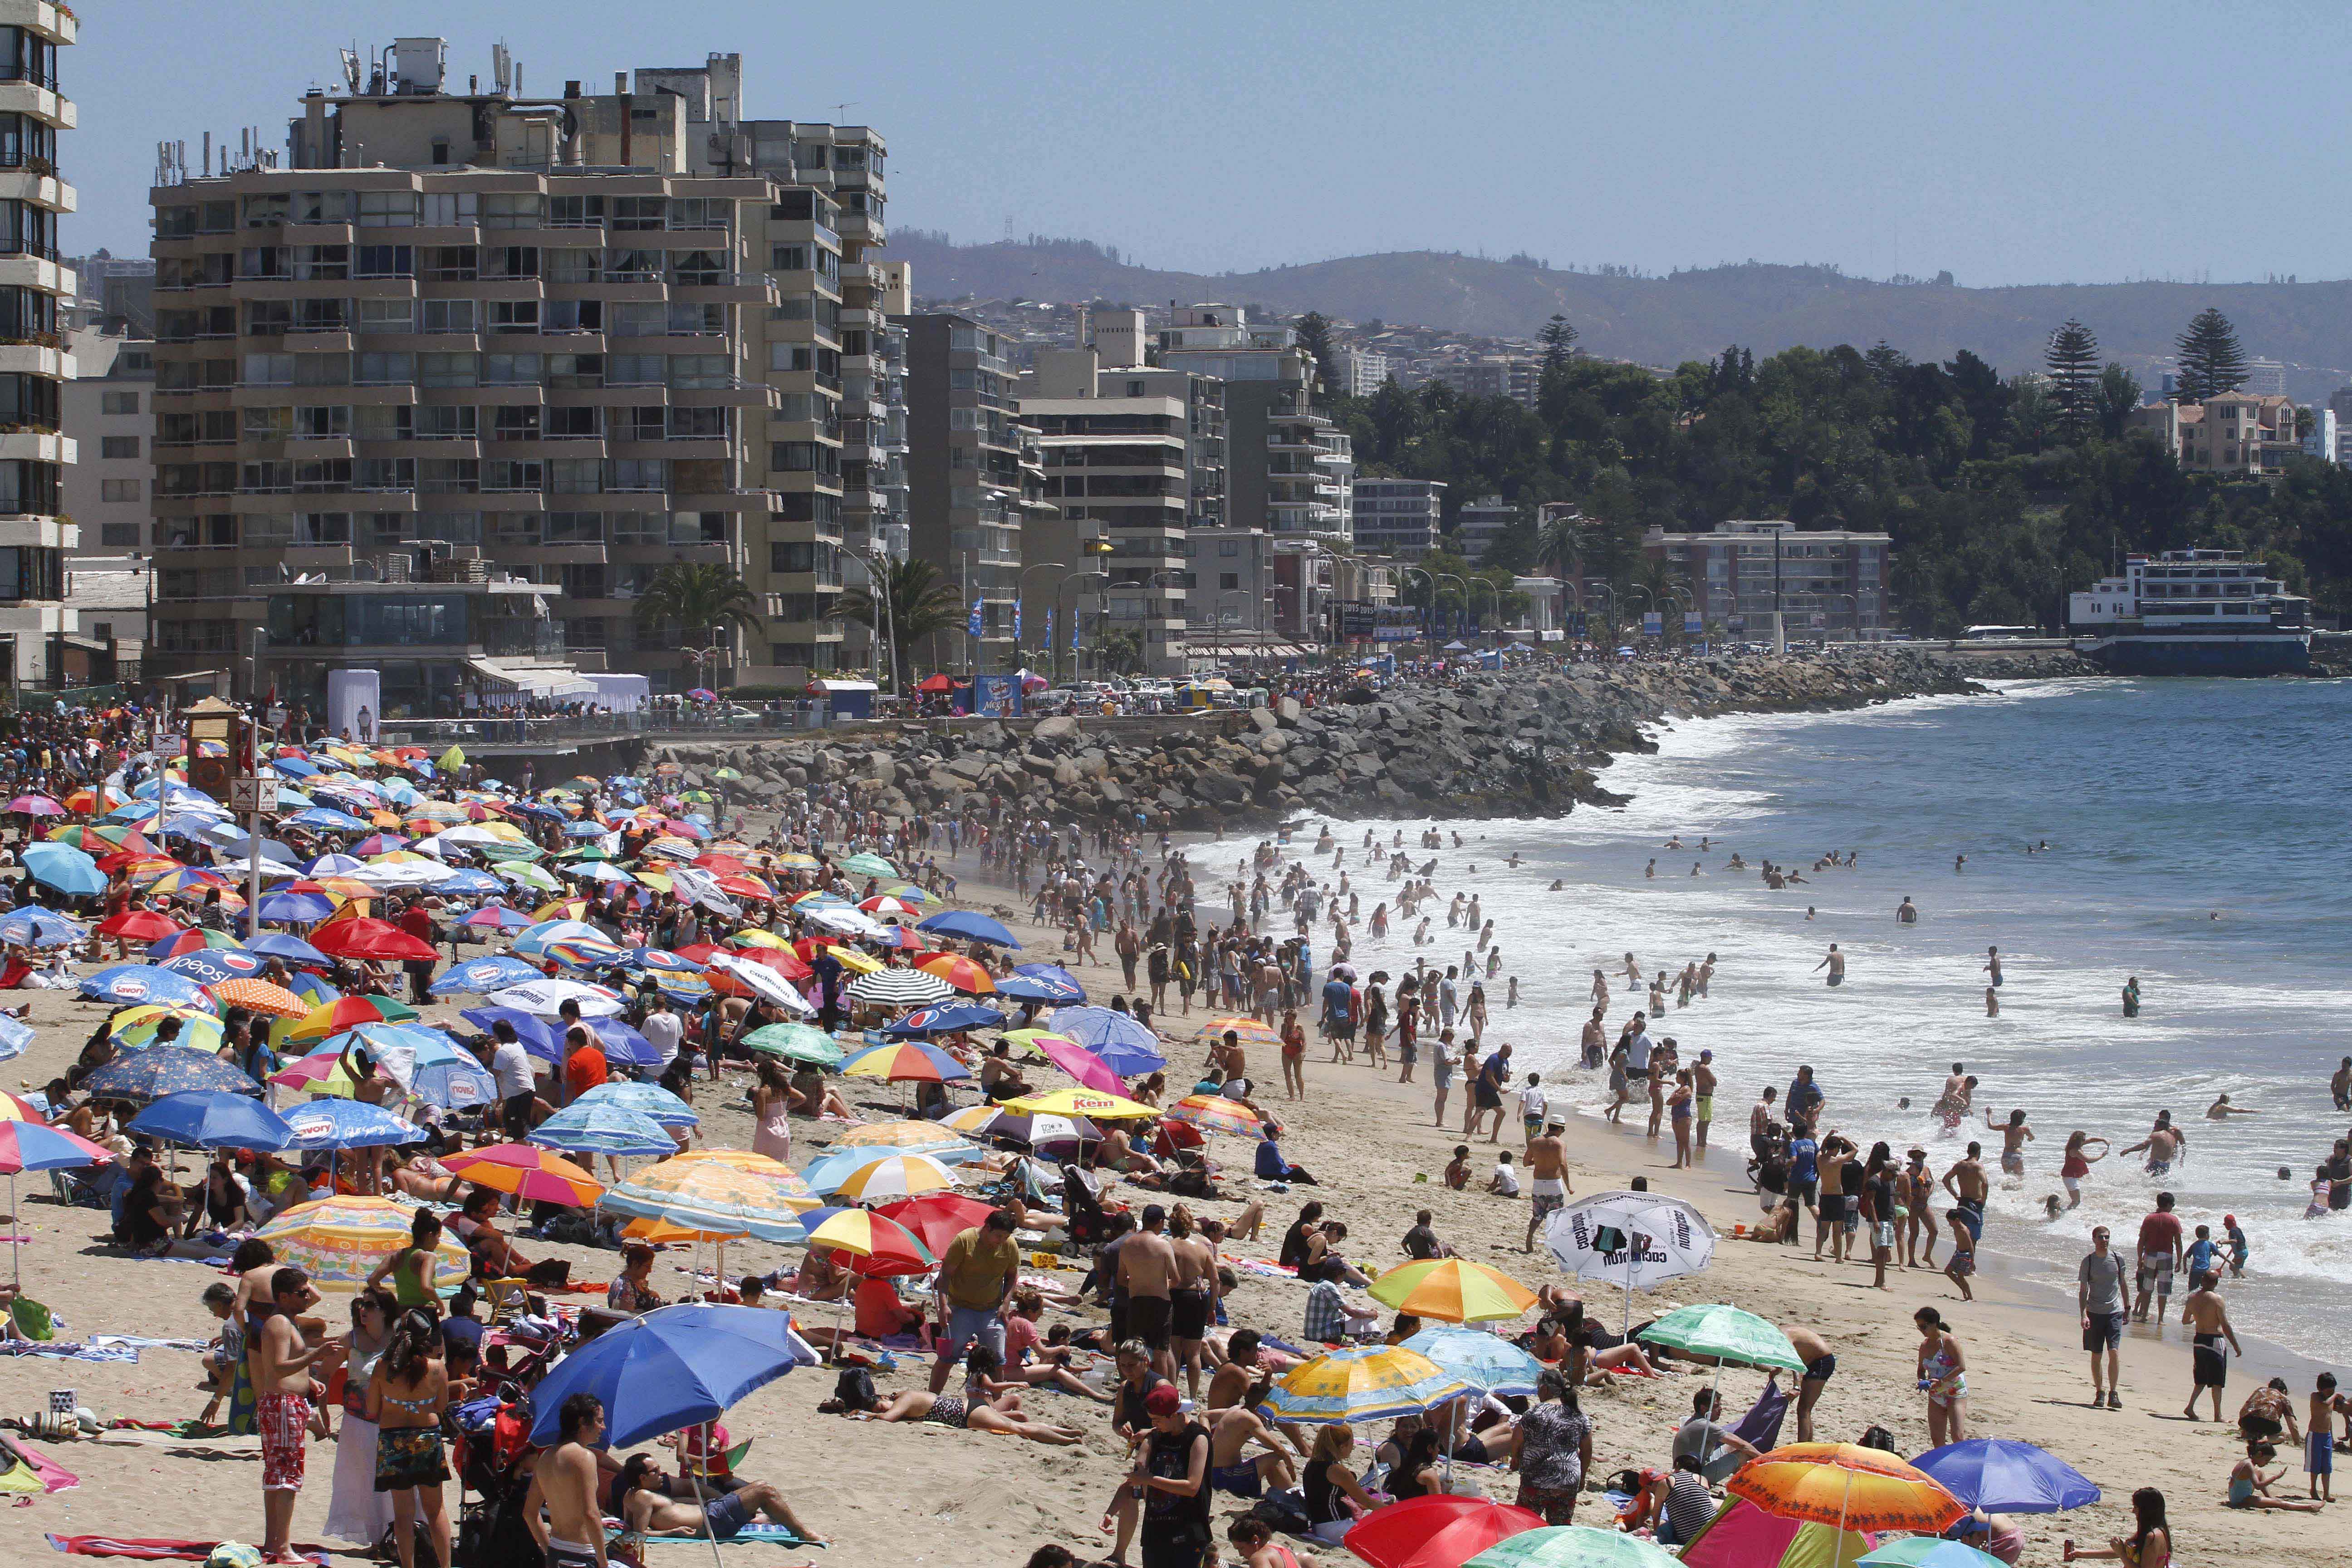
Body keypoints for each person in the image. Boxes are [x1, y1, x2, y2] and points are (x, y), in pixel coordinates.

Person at [254, 1266, 335, 1563]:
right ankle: (282, 1546)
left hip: (285, 1403)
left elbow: (286, 1364)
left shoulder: (286, 1320)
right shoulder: (279, 1323)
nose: (308, 1297)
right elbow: (276, 1367)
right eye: (301, 1293)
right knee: (287, 1475)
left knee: (278, 1473)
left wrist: (308, 1378)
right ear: (284, 1296)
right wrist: (315, 1356)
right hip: (282, 1404)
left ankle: (274, 1542)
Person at [324, 1287, 408, 1550]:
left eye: (370, 1305)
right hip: (356, 1422)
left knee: (392, 1482)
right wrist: (322, 1407)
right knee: (361, 1480)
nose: (363, 1309)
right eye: (361, 1304)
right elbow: (325, 1372)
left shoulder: (399, 1339)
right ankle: (375, 1539)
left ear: (384, 1310)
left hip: (391, 1422)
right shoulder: (351, 1339)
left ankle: (398, 1537)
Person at [368, 1308, 451, 1568]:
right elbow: (440, 1406)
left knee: (403, 1515)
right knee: (435, 1511)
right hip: (427, 1439)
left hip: (393, 1441)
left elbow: (372, 1410)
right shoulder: (437, 1369)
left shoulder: (383, 1369)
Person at [615, 1454, 826, 1546]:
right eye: (656, 1472)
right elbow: (638, 1534)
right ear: (642, 1478)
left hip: (712, 1512)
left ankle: (775, 1521)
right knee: (764, 1490)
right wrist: (671, 1533)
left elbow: (627, 1527)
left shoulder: (632, 1495)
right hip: (712, 1520)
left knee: (757, 1489)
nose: (662, 1474)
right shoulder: (643, 1496)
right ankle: (803, 1533)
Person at [1122, 1382, 1211, 1568]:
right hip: (1155, 1531)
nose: (1154, 1424)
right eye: (1151, 1420)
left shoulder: (1198, 1438)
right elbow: (1136, 1477)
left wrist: (1149, 1479)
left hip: (1188, 1533)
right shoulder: (1157, 1435)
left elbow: (1192, 1487)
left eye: (1157, 1420)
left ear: (1175, 1415)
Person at [932, 1209, 1022, 1393]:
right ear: (987, 1228)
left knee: (997, 1360)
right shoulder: (965, 1241)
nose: (1001, 1241)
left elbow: (1012, 1276)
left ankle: (996, 1405)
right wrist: (944, 1305)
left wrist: (1006, 1304)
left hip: (991, 1310)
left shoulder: (1009, 1245)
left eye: (1005, 1237)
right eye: (998, 1236)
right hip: (961, 1307)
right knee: (947, 1357)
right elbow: (945, 1274)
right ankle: (931, 1398)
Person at [526, 1393, 609, 1568]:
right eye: (599, 1421)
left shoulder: (546, 1457)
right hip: (581, 1553)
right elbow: (590, 1513)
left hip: (557, 1550)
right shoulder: (584, 1457)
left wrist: (548, 1549)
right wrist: (603, 1563)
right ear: (582, 1422)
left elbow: (529, 1513)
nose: (603, 1427)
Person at [1509, 1370, 1591, 1525]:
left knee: (1524, 1525)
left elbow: (1517, 1440)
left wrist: (1516, 1459)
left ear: (1545, 1389)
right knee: (1558, 1529)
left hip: (1536, 1479)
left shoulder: (1534, 1413)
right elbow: (1587, 1450)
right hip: (1567, 1480)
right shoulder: (1578, 1414)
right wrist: (1583, 1475)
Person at [1298, 1424, 1382, 1544]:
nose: (1351, 1449)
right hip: (1334, 1527)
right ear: (1343, 1447)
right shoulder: (1337, 1470)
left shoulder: (1312, 1463)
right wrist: (1393, 1511)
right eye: (1351, 1446)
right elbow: (1367, 1501)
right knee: (1383, 1532)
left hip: (1319, 1525)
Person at [2179, 1269, 2239, 1422]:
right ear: (2216, 1283)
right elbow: (2225, 1325)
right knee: (2217, 1381)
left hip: (2199, 1340)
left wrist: (2196, 1318)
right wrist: (2236, 1346)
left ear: (2202, 1281)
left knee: (2201, 1378)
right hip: (2214, 1341)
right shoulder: (2217, 1300)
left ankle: (2190, 1407)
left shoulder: (2192, 1298)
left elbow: (2185, 1321)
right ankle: (2218, 1415)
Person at [2078, 1226, 2128, 1410]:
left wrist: (2127, 1308)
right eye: (2100, 1237)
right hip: (2094, 1312)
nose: (2104, 1240)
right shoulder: (2088, 1262)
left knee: (2114, 1351)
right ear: (2094, 1239)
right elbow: (2083, 1291)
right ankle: (2100, 1391)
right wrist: (2083, 1314)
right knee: (2097, 1354)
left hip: (2115, 1311)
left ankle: (2114, 1393)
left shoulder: (2117, 1258)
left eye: (2107, 1237)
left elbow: (2123, 1284)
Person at [2062, 1485, 2170, 1565]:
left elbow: (2122, 1553)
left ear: (2146, 1511)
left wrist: (2122, 1553)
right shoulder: (2150, 1532)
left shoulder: (2153, 1537)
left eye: (2136, 1508)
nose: (2133, 1511)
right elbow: (2119, 1552)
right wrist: (2083, 1554)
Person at [1915, 1308, 1968, 1446]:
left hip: (1955, 1391)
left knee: (1957, 1436)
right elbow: (1921, 1370)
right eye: (1919, 1327)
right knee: (1937, 1439)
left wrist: (1942, 1381)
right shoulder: (1924, 1346)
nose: (1921, 1330)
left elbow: (1961, 1366)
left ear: (1934, 1324)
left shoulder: (1949, 1341)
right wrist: (1922, 1380)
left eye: (1924, 1326)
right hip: (1936, 1393)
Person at [2225, 1441, 2325, 1512]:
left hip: (2237, 1494)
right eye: (2266, 1460)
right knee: (2280, 1503)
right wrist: (2276, 1477)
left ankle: (2270, 1498)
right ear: (2260, 1454)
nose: (2267, 1463)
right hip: (2241, 1499)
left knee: (2260, 1473)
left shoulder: (2247, 1461)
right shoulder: (2248, 1465)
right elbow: (2258, 1486)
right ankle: (2310, 1507)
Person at [2133, 1192, 2184, 1323]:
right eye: (2172, 1205)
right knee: (2163, 1288)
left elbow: (2142, 1241)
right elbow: (2178, 1242)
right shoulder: (2173, 1220)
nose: (2172, 1207)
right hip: (2166, 1256)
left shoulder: (2149, 1219)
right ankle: (2160, 1319)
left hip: (2150, 1255)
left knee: (2147, 1287)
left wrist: (2140, 1258)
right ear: (2168, 1205)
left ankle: (2144, 1315)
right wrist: (2179, 1260)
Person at [1787, 1323, 1834, 1444]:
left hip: (1822, 1362)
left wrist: (1797, 1387)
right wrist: (1776, 1372)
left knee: (1804, 1410)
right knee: (1805, 1410)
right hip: (1812, 1362)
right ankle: (1807, 1445)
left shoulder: (1784, 1336)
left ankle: (1803, 1449)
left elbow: (1794, 1360)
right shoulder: (1781, 1332)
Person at [2308, 1372, 2342, 1501]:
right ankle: (2313, 1489)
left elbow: (2329, 1419)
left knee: (2327, 1466)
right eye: (2330, 1390)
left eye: (2334, 1390)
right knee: (2315, 1465)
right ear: (2321, 1388)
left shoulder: (2331, 1400)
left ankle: (2326, 1493)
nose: (2332, 1392)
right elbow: (2325, 1404)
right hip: (2315, 1434)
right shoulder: (2315, 1397)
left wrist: (2332, 1437)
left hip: (2326, 1435)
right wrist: (2336, 1396)